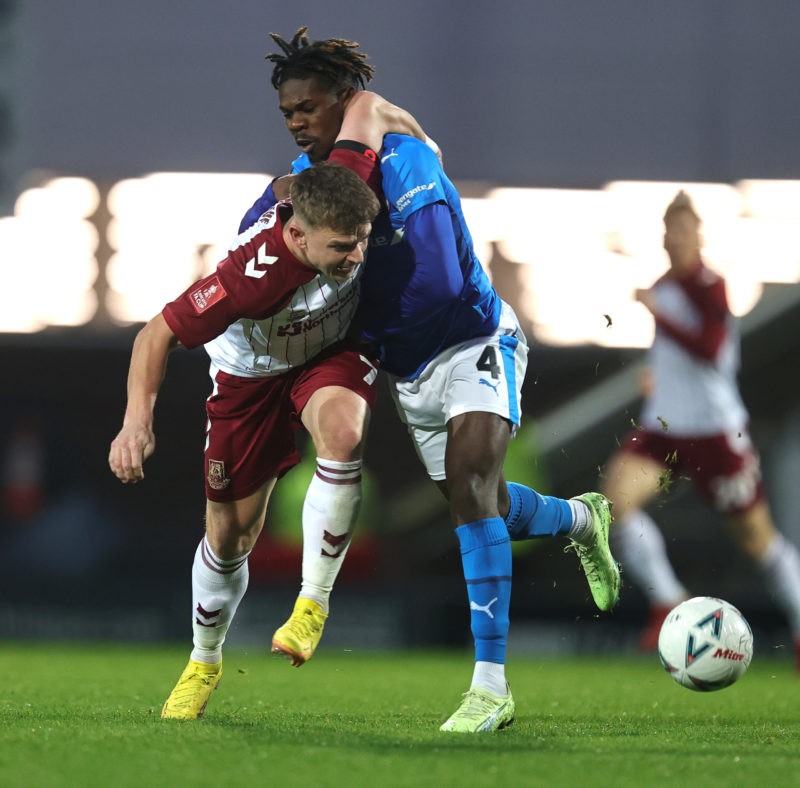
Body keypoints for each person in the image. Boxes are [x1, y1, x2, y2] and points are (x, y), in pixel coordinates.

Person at [244, 28, 621, 733]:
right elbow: (255, 241)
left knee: (471, 493)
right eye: (288, 111)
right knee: (484, 501)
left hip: (473, 338)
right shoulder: (308, 181)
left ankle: (491, 688)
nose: (298, 121)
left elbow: (444, 280)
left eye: (310, 106)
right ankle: (578, 516)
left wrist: (357, 323)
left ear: (345, 102)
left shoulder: (403, 158)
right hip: (408, 372)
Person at [108, 162, 384, 719]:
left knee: (344, 433)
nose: (356, 257)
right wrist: (137, 422)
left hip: (331, 356)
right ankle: (203, 663)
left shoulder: (341, 201)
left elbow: (362, 128)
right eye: (341, 247)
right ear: (297, 234)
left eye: (362, 243)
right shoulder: (249, 275)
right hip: (249, 379)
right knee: (230, 535)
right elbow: (156, 334)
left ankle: (312, 605)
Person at [600, 190, 800, 666]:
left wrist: (658, 313)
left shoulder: (708, 286)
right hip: (666, 428)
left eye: (685, 230)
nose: (677, 239)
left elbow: (709, 350)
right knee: (614, 503)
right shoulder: (664, 286)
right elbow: (679, 355)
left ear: (698, 237)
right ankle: (668, 598)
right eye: (671, 231)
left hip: (716, 432)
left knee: (758, 541)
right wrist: (658, 375)